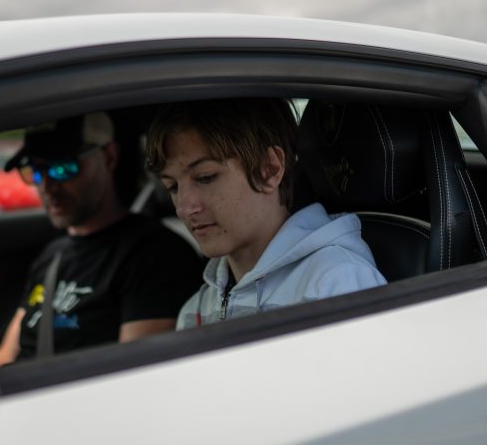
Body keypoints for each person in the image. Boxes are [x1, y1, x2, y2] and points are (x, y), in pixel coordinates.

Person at [0, 112, 203, 367]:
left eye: (62, 167)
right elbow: (3, 358)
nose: (47, 186)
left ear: (109, 156)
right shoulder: (52, 256)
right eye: (36, 172)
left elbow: (134, 374)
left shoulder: (156, 255)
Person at [145, 98, 386, 329]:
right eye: (173, 187)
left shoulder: (335, 283)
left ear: (269, 169)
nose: (184, 208)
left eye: (205, 177)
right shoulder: (195, 310)